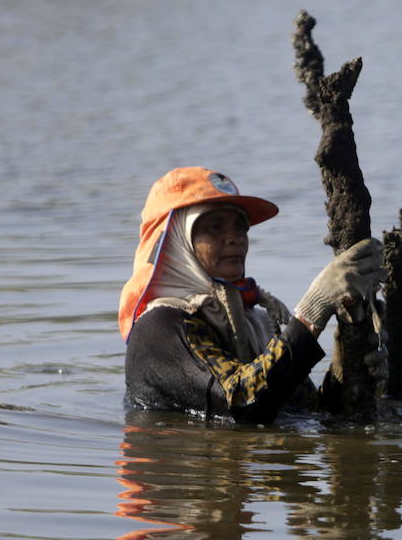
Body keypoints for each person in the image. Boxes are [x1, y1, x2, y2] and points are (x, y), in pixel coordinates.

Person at [120, 167, 382, 422]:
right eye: (214, 227)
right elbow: (240, 403)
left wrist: (347, 368)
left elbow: (305, 411)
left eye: (240, 227)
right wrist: (312, 312)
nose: (234, 238)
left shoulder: (258, 321)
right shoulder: (160, 327)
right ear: (176, 243)